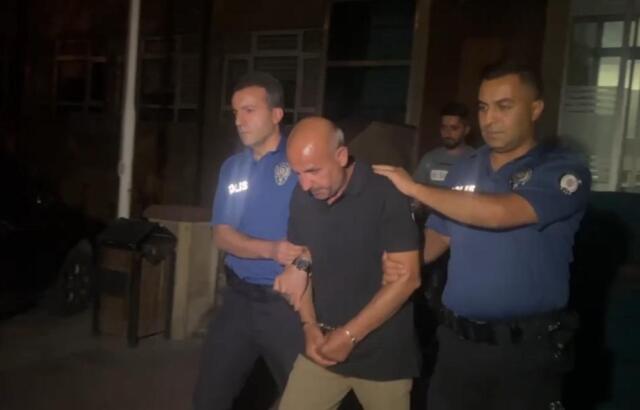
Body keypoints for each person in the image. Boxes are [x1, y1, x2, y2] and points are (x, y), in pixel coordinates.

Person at [373, 61, 591, 410]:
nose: (490, 119)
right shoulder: (466, 166)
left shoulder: (561, 169)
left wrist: (415, 188)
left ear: (535, 109)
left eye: (504, 106)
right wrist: (403, 261)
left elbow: (499, 213)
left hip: (523, 353)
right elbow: (440, 234)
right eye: (483, 107)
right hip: (457, 346)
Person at [273, 117, 421, 410]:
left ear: (341, 156)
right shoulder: (302, 196)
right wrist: (309, 326)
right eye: (297, 173)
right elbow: (301, 262)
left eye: (313, 171)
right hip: (322, 348)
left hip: (383, 356)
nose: (304, 184)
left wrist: (349, 336)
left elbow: (408, 279)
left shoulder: (385, 192)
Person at [192, 72, 304, 410]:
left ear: (276, 114)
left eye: (249, 110)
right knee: (210, 397)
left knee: (309, 397)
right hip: (238, 300)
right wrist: (272, 249)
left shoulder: (300, 162)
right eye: (235, 112)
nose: (239, 121)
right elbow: (222, 235)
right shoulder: (233, 168)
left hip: (286, 305)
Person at [413, 102, 474, 188]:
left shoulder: (476, 160)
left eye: (454, 128)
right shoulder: (430, 159)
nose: (447, 133)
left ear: (466, 130)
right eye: (444, 127)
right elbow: (415, 191)